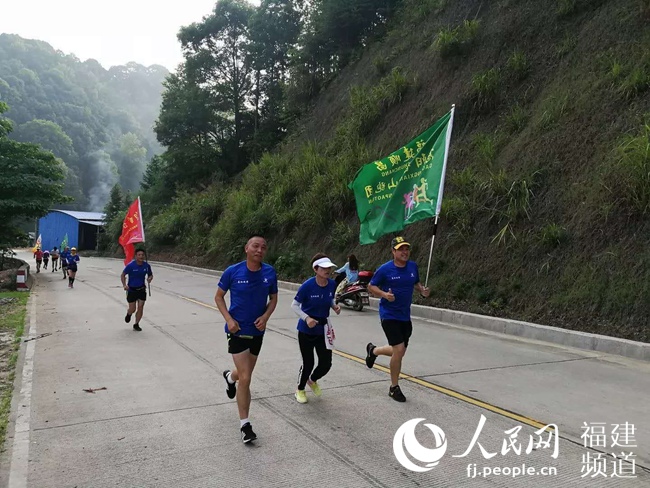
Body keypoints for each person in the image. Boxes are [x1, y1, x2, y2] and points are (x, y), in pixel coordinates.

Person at [215, 236, 278, 444]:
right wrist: (229, 319)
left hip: (257, 332)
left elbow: (273, 298)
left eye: (263, 247)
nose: (260, 250)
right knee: (247, 378)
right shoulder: (233, 271)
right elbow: (219, 297)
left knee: (244, 375)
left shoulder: (269, 272)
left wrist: (266, 317)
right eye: (256, 246)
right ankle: (245, 425)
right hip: (237, 331)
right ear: (246, 249)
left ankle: (229, 378)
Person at [364, 236, 429, 402]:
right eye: (400, 249)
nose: (404, 252)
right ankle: (394, 388)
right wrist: (384, 295)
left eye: (406, 249)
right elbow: (371, 286)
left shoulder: (413, 266)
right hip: (389, 314)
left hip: (404, 316)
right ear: (393, 251)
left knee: (398, 352)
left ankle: (374, 350)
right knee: (399, 351)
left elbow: (415, 283)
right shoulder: (385, 269)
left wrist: (421, 290)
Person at [291, 253, 341, 404]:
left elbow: (330, 297)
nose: (328, 270)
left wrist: (334, 306)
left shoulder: (331, 284)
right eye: (324, 268)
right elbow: (294, 305)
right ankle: (300, 389)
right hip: (307, 329)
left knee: (326, 363)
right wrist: (307, 318)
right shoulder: (307, 286)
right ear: (316, 269)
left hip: (323, 328)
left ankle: (312, 380)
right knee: (309, 363)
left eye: (330, 268)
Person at [121, 249, 153, 332]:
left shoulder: (146, 266)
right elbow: (123, 275)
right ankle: (129, 314)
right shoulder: (131, 266)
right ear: (135, 256)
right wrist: (124, 285)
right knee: (133, 308)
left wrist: (150, 278)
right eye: (139, 255)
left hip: (141, 289)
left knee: (141, 307)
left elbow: (150, 275)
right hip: (131, 290)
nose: (141, 256)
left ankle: (136, 324)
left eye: (142, 255)